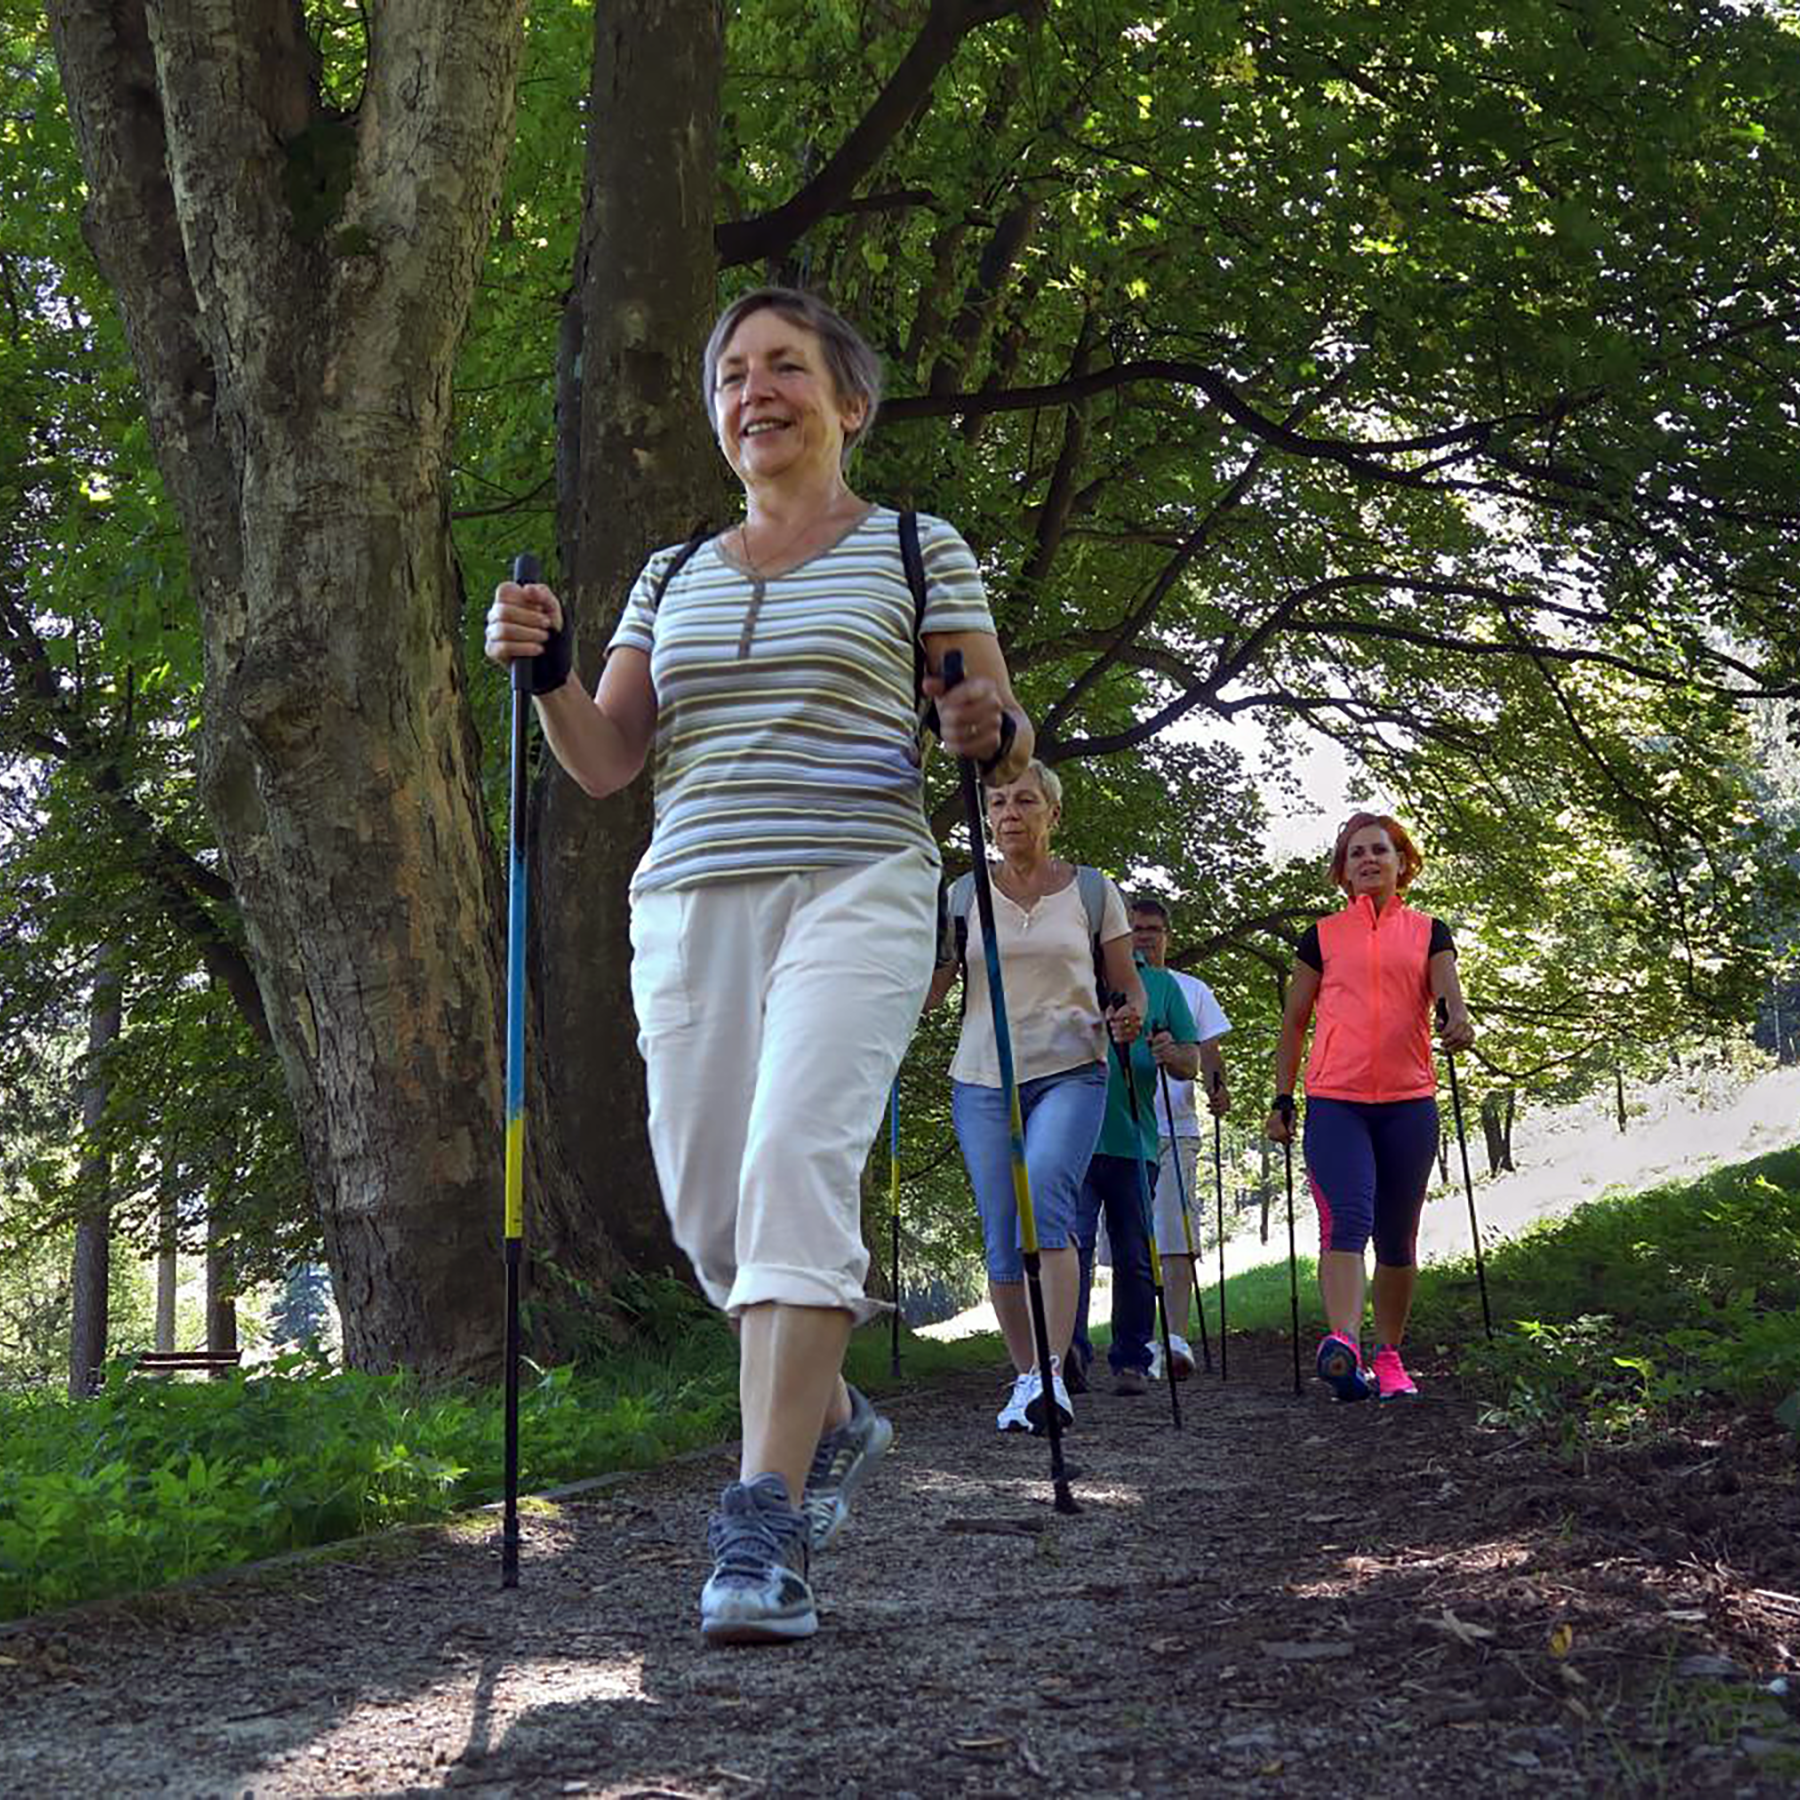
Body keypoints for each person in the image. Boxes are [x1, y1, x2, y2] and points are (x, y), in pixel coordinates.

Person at [485, 286, 1033, 1645]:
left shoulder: (913, 547)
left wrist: (986, 727)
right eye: (732, 375)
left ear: (850, 403)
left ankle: (763, 1518)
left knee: (797, 1159)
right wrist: (548, 674)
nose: (754, 393)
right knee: (712, 1221)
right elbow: (607, 761)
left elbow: (998, 729)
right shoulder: (672, 573)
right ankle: (830, 1415)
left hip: (858, 880)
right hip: (688, 900)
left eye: (785, 367)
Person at [928, 761, 1145, 1434]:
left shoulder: (1092, 890)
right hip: (982, 1078)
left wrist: (1129, 1014)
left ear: (1053, 813)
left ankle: (1054, 1371)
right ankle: (1027, 1377)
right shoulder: (963, 894)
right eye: (997, 802)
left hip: (1071, 1070)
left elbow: (1127, 982)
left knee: (1047, 1193)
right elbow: (932, 992)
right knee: (1000, 1229)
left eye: (1025, 800)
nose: (1009, 813)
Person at [1263, 813, 1475, 1402]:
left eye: (1379, 850)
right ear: (1343, 870)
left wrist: (1458, 1021)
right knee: (1348, 1220)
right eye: (1355, 853)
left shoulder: (1430, 932)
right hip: (1337, 1101)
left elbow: (1450, 996)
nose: (1368, 860)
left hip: (1409, 1103)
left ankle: (1390, 1356)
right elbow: (1294, 1021)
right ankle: (1345, 1347)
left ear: (1401, 862)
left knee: (1398, 1237)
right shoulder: (1322, 936)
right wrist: (1283, 1097)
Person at [1071, 923, 1199, 1395]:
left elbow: (1191, 1063)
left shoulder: (1161, 985)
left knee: (1134, 1254)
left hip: (1135, 1140)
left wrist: (1171, 1053)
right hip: (1073, 1140)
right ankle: (1069, 1354)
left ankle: (1132, 1358)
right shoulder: (1070, 970)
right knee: (1073, 1250)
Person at [1127, 896, 1231, 1381]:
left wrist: (1218, 1089)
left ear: (1167, 935)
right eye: (1136, 928)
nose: (1145, 937)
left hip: (1177, 1126)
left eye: (1153, 929)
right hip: (1127, 1126)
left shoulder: (1191, 989)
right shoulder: (1111, 987)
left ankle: (1174, 1338)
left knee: (1175, 1234)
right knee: (1130, 1238)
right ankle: (1135, 1339)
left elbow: (1209, 1050)